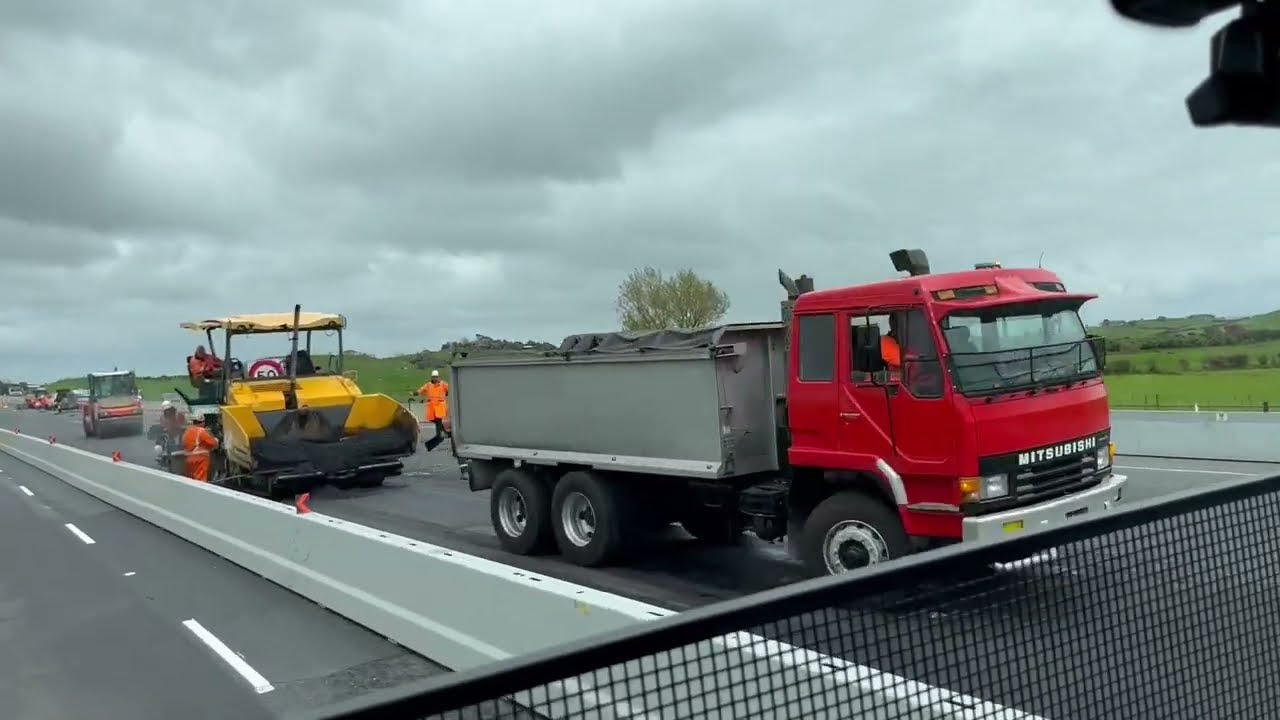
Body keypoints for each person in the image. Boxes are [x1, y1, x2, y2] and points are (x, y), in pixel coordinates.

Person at [416, 370, 450, 451]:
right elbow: (421, 390)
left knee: (439, 425)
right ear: (432, 377)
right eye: (434, 377)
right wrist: (415, 393)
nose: (435, 378)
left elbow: (449, 390)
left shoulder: (443, 384)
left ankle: (431, 444)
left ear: (438, 377)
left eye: (436, 377)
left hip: (440, 408)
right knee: (436, 423)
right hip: (432, 409)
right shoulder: (428, 385)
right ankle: (444, 433)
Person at [181, 415, 220, 483]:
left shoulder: (187, 431)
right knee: (200, 480)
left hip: (189, 459)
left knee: (191, 480)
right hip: (200, 459)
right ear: (202, 422)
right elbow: (212, 443)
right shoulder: (201, 431)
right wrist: (216, 439)